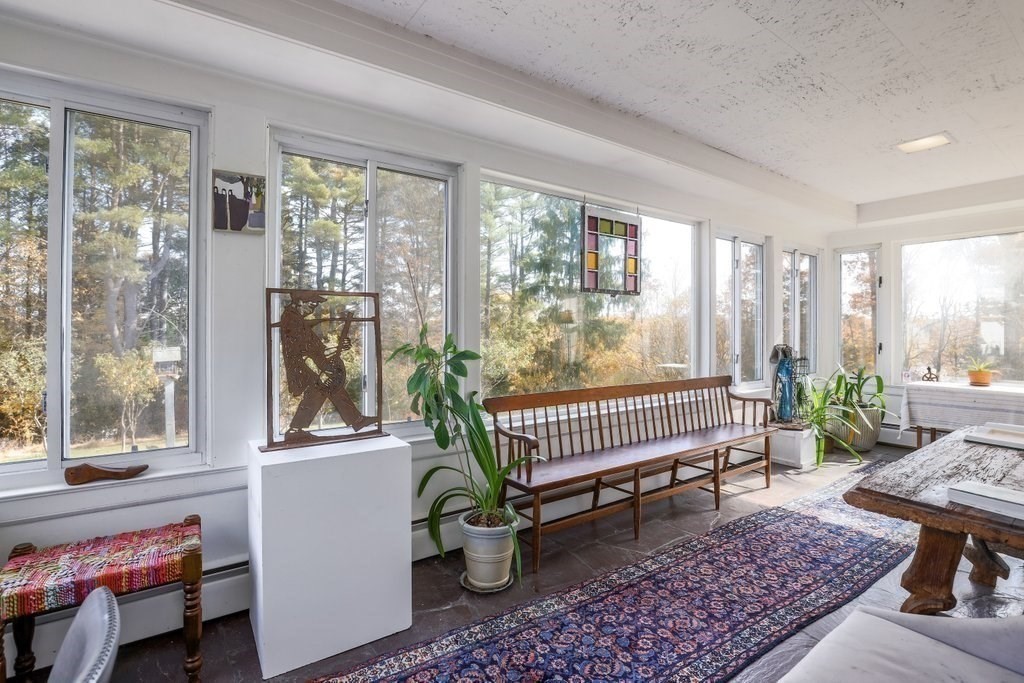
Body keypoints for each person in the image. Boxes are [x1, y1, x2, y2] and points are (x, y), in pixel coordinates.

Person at [276, 292, 375, 437]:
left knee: (331, 387)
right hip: (303, 368)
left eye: (316, 305)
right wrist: (333, 349)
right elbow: (306, 349)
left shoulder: (296, 319)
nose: (314, 308)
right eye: (312, 304)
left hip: (309, 366)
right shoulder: (292, 320)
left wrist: (337, 346)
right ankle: (295, 430)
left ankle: (356, 420)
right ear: (300, 301)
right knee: (320, 389)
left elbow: (314, 348)